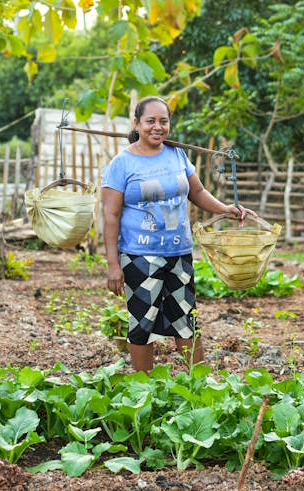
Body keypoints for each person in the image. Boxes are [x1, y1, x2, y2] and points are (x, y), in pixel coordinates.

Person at [101, 96, 256, 373]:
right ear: (137, 124)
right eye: (150, 121)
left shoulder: (177, 155)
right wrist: (113, 265)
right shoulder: (121, 164)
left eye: (164, 121)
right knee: (143, 322)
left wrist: (226, 209)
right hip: (140, 256)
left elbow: (196, 192)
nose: (157, 127)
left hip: (179, 254)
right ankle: (143, 388)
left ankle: (198, 383)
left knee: (185, 320)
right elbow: (110, 215)